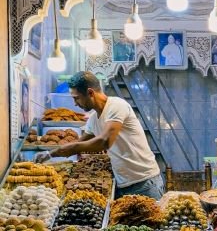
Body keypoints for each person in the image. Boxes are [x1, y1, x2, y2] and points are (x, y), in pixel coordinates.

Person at [35, 71, 163, 200]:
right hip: (122, 183)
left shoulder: (117, 105)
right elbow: (79, 143)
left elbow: (104, 142)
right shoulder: (93, 120)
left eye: (76, 98)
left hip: (144, 182)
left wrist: (63, 150)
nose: (75, 103)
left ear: (90, 93)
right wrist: (49, 154)